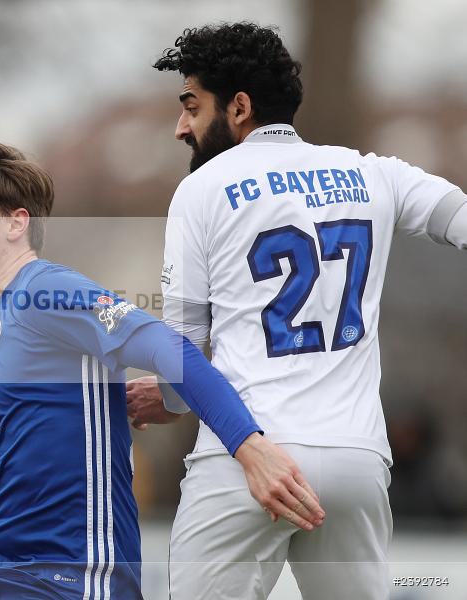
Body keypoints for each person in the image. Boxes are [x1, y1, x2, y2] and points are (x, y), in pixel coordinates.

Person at [126, 22, 467, 600]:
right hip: (356, 462)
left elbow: (182, 345)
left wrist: (171, 396)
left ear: (238, 107)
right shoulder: (373, 172)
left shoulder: (203, 188)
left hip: (248, 459)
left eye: (191, 104)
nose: (181, 125)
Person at [0, 137, 324, 600]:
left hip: (64, 584)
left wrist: (250, 448)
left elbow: (170, 347)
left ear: (16, 223)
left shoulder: (44, 289)